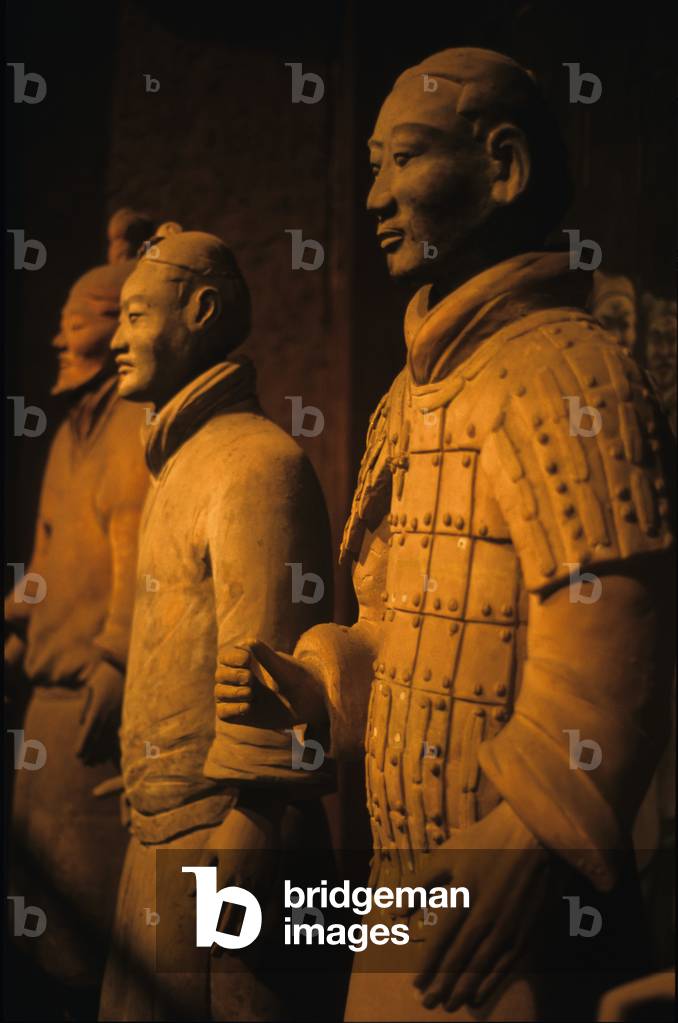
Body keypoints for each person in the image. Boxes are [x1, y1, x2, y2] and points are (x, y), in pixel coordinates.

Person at [215, 49, 675, 1021]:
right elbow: (402, 627)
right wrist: (319, 684)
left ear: (502, 167)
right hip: (406, 884)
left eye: (406, 161)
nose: (376, 196)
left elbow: (620, 638)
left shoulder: (570, 373)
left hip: (519, 913)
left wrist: (531, 839)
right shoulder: (408, 399)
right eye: (372, 164)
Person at [99, 225, 335, 1021]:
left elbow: (268, 669)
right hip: (163, 831)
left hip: (226, 843)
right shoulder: (183, 462)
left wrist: (254, 821)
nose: (116, 339)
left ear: (201, 309)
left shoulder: (254, 465)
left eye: (135, 315)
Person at [5, 209, 154, 1019]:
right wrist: (16, 619)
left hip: (88, 710)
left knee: (81, 937)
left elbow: (135, 554)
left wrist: (118, 658)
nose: (60, 343)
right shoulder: (71, 431)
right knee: (33, 919)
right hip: (42, 707)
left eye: (75, 327)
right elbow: (46, 555)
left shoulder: (133, 426)